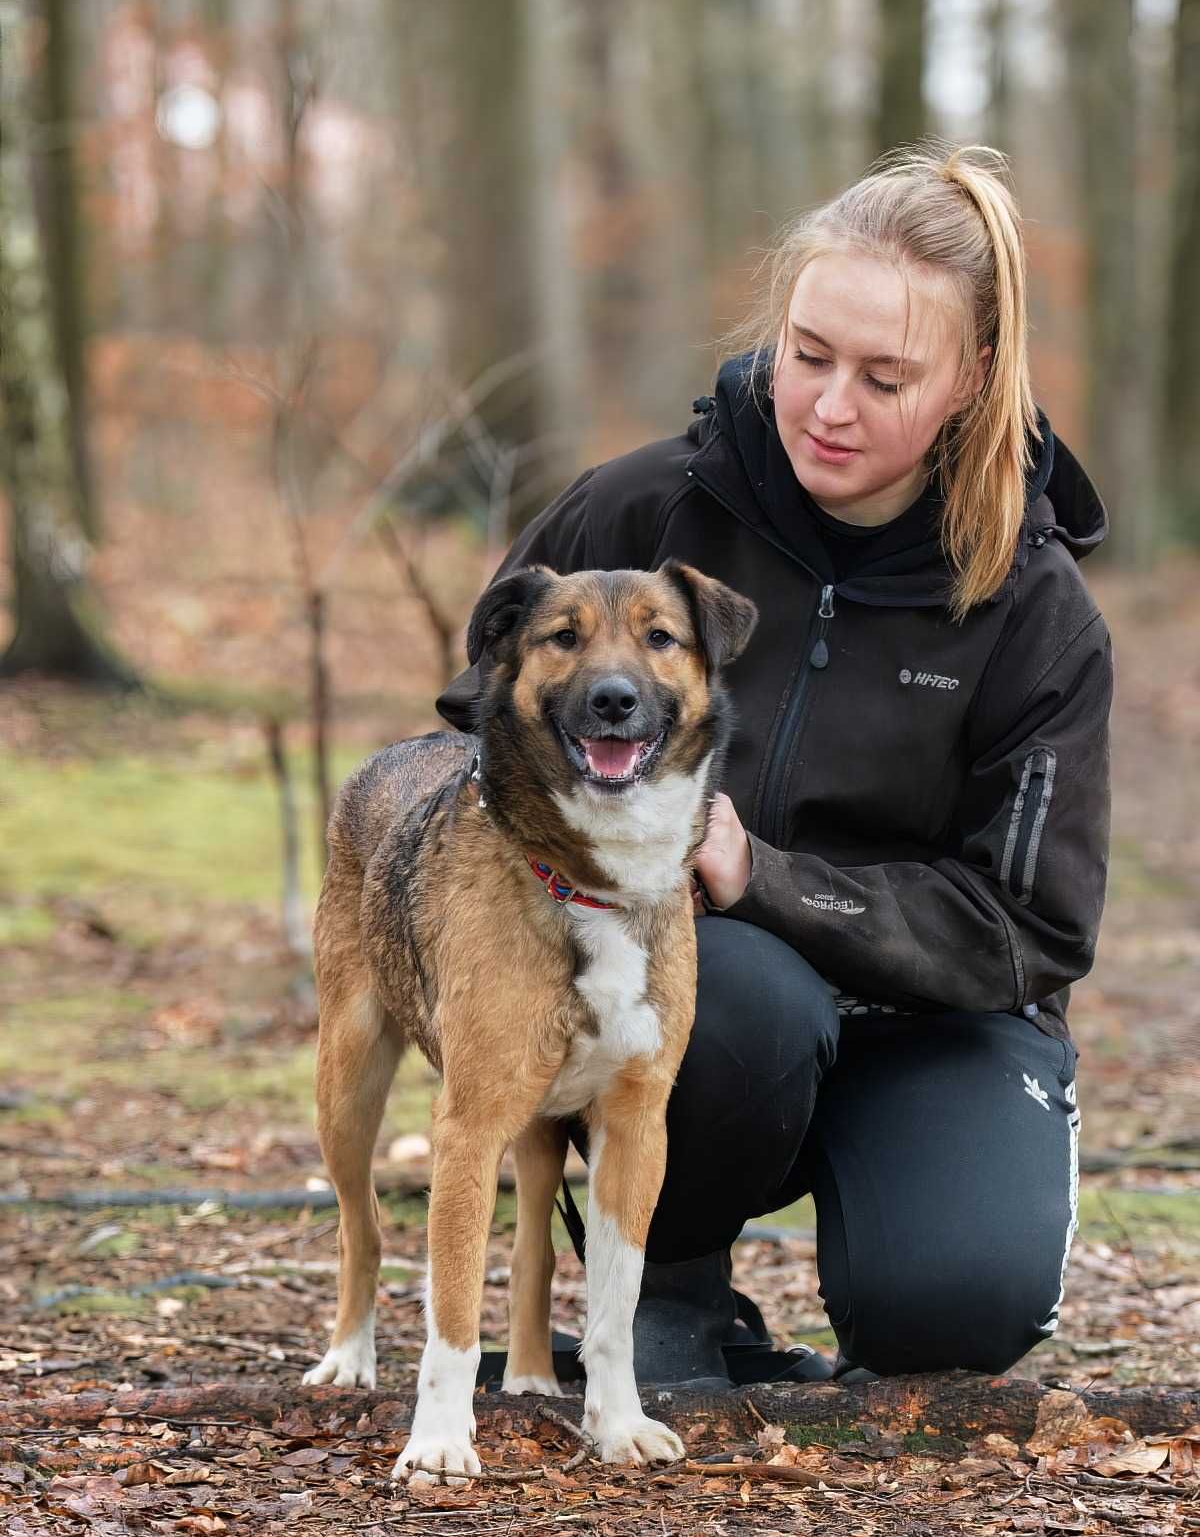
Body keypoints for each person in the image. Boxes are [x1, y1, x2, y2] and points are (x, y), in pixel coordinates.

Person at [441, 142, 1112, 1389]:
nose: (828, 405)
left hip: (934, 1022)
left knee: (950, 1315)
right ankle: (670, 1281)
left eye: (882, 374)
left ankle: (914, 1260)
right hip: (710, 1008)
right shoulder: (643, 513)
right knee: (734, 991)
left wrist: (771, 876)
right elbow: (469, 723)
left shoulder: (1034, 607)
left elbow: (1031, 925)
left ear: (969, 379)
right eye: (808, 354)